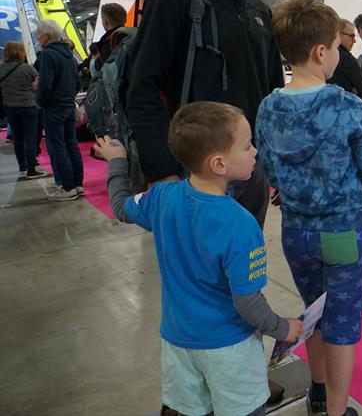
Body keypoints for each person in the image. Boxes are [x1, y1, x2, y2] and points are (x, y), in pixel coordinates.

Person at [125, 0, 287, 405]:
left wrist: (269, 166)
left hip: (246, 178)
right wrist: (162, 174)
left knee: (245, 282)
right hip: (190, 181)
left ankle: (242, 379)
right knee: (196, 290)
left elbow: (265, 98)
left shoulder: (258, 12)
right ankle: (194, 394)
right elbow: (141, 88)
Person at [93, 101, 303, 416]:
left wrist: (117, 162)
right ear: (219, 163)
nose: (255, 152)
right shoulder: (241, 224)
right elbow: (248, 302)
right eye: (246, 146)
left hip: (178, 344)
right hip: (229, 350)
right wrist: (282, 328)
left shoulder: (163, 197)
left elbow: (122, 207)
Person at [255, 0, 362, 416]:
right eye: (337, 47)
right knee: (343, 323)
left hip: (296, 232)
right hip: (342, 233)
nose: (339, 54)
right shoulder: (346, 105)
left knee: (313, 309)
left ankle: (316, 389)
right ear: (320, 52)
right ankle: (337, 410)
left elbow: (269, 171)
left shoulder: (268, 107)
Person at [35, 20, 84, 200]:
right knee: (71, 143)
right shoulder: (69, 56)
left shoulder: (47, 54)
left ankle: (68, 187)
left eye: (39, 34)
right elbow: (77, 83)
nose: (37, 37)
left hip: (54, 107)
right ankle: (77, 185)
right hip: (68, 106)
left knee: (58, 146)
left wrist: (39, 101)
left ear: (47, 35)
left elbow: (46, 84)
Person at [0, 42, 46, 179]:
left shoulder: (1, 68)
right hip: (28, 106)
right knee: (30, 138)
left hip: (10, 107)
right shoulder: (27, 68)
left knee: (17, 138)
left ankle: (22, 167)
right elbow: (37, 84)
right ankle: (31, 169)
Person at [328, 18, 362, 103]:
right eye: (351, 36)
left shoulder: (322, 57)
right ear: (338, 34)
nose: (354, 41)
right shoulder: (347, 60)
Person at [96, 3, 128, 71]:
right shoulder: (132, 36)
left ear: (106, 21)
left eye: (102, 17)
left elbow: (104, 72)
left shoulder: (109, 43)